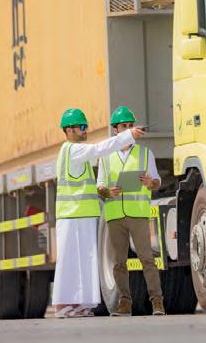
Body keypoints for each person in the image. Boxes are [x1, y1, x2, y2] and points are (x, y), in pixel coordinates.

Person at [52, 108, 145, 319]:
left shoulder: (77, 153)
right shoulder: (72, 150)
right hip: (71, 216)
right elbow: (99, 149)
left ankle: (80, 304)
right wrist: (128, 136)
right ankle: (63, 305)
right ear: (69, 130)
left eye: (86, 126)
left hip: (82, 215)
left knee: (84, 261)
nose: (85, 130)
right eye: (81, 127)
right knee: (69, 261)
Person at [97, 105, 165, 316]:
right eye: (123, 126)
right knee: (119, 263)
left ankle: (157, 302)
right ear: (115, 130)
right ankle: (124, 302)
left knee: (147, 259)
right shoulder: (106, 156)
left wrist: (150, 182)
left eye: (130, 125)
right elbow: (100, 187)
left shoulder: (145, 153)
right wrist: (108, 191)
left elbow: (157, 182)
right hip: (115, 216)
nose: (128, 129)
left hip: (138, 215)